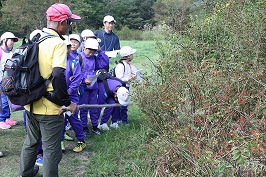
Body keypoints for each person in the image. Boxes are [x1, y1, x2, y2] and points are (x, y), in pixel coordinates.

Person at [19, 3, 80, 177]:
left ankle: (25, 173)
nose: (69, 26)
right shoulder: (57, 43)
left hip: (30, 104)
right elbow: (58, 74)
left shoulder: (37, 38)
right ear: (62, 22)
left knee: (31, 143)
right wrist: (67, 103)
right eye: (69, 22)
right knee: (52, 150)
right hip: (50, 109)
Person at [79, 38, 109, 135]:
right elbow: (76, 72)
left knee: (94, 107)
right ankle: (84, 127)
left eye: (93, 51)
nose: (91, 53)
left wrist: (100, 51)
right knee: (83, 107)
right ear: (84, 47)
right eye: (89, 51)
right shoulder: (79, 58)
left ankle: (95, 126)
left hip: (93, 86)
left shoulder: (95, 58)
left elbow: (105, 63)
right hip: (83, 87)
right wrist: (84, 80)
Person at [61, 35, 86, 153]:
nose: (66, 50)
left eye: (68, 47)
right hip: (59, 95)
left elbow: (77, 78)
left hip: (71, 95)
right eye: (64, 47)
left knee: (73, 118)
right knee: (60, 118)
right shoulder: (55, 59)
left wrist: (69, 91)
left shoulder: (74, 60)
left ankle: (81, 140)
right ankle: (60, 141)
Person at [0, 32, 19, 129]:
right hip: (1, 82)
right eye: (11, 40)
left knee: (8, 101)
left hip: (9, 83)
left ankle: (7, 118)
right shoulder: (0, 52)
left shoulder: (12, 53)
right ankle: (1, 120)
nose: (12, 42)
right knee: (2, 101)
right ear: (4, 40)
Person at [115, 46, 137, 124]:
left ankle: (122, 120)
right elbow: (119, 79)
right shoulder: (121, 66)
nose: (133, 55)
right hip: (122, 88)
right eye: (132, 54)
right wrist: (129, 79)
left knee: (124, 104)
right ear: (128, 56)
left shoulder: (128, 64)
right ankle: (122, 120)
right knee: (122, 105)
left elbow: (135, 71)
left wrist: (131, 64)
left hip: (126, 87)